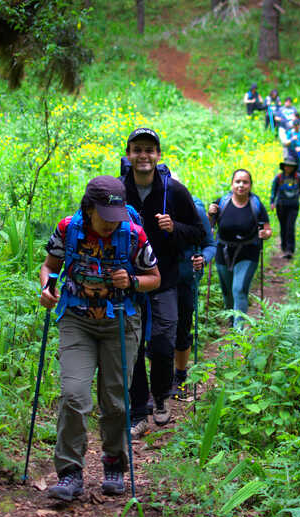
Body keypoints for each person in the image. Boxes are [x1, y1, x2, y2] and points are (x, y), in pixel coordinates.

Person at [39, 176, 161, 501]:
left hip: (121, 321)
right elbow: (50, 267)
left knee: (116, 400)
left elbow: (155, 278)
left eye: (116, 217)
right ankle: (69, 473)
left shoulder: (133, 235)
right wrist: (47, 287)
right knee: (74, 395)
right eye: (105, 218)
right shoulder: (69, 229)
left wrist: (133, 281)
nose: (111, 225)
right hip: (76, 320)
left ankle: (114, 463)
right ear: (89, 209)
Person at [120, 128, 206, 438]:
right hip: (127, 282)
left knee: (162, 341)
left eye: (149, 150)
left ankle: (160, 399)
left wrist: (174, 228)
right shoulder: (116, 191)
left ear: (158, 155)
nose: (143, 155)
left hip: (165, 280)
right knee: (132, 345)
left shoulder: (176, 192)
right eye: (137, 149)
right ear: (129, 154)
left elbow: (198, 233)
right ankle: (139, 409)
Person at [208, 169, 272, 329]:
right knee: (227, 292)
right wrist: (210, 214)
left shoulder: (256, 204)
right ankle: (232, 319)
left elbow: (267, 229)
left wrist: (265, 233)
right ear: (232, 184)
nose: (241, 185)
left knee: (239, 289)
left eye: (245, 182)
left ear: (250, 185)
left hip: (248, 252)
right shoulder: (222, 202)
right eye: (238, 181)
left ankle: (239, 332)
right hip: (223, 251)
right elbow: (209, 226)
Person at [171, 194, 216, 399]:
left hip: (185, 280)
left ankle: (180, 376)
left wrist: (203, 259)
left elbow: (210, 244)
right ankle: (159, 382)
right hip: (156, 280)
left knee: (182, 328)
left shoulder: (194, 211)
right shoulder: (150, 209)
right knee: (156, 334)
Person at [270, 157, 300, 260]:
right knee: (283, 226)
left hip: (293, 205)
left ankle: (290, 250)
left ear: (294, 168)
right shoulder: (279, 177)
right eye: (287, 166)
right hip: (281, 205)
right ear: (284, 167)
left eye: (291, 166)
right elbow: (273, 190)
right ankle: (284, 248)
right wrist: (272, 202)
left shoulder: (297, 177)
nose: (289, 168)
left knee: (290, 227)